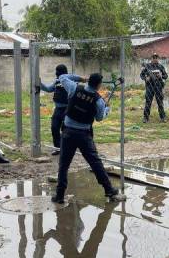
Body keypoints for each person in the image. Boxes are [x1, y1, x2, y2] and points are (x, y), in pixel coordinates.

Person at [51, 73, 120, 203]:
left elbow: (62, 77)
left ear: (89, 81)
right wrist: (107, 110)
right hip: (84, 135)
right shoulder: (98, 101)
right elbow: (99, 118)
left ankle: (59, 195)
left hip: (67, 133)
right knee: (95, 162)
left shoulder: (74, 88)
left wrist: (81, 78)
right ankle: (109, 189)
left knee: (64, 165)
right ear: (99, 85)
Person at [40, 64, 85, 156]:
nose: (57, 73)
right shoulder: (57, 81)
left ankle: (69, 148)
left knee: (66, 130)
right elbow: (48, 89)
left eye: (58, 71)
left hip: (68, 109)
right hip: (58, 109)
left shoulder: (70, 79)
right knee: (54, 127)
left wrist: (84, 79)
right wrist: (40, 84)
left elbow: (78, 78)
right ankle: (58, 148)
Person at [140, 53, 168, 123]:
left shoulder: (161, 66)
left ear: (158, 58)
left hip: (158, 86)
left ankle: (163, 117)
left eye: (156, 57)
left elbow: (166, 76)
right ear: (151, 58)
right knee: (148, 102)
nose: (155, 59)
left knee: (160, 102)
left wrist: (160, 75)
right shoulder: (147, 66)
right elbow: (141, 75)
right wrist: (146, 78)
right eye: (153, 57)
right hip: (149, 87)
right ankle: (145, 118)